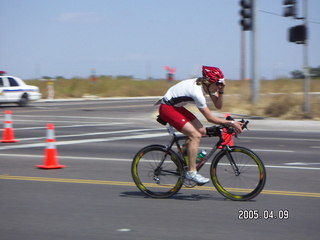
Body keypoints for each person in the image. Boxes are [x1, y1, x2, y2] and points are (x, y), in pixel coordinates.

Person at [158, 66, 243, 185]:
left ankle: (181, 156)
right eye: (217, 84)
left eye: (220, 84)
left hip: (176, 107)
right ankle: (191, 172)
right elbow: (210, 118)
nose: (219, 86)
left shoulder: (209, 86)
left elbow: (218, 106)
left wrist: (221, 90)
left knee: (201, 131)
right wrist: (231, 123)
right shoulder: (197, 92)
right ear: (208, 82)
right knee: (195, 136)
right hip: (167, 109)